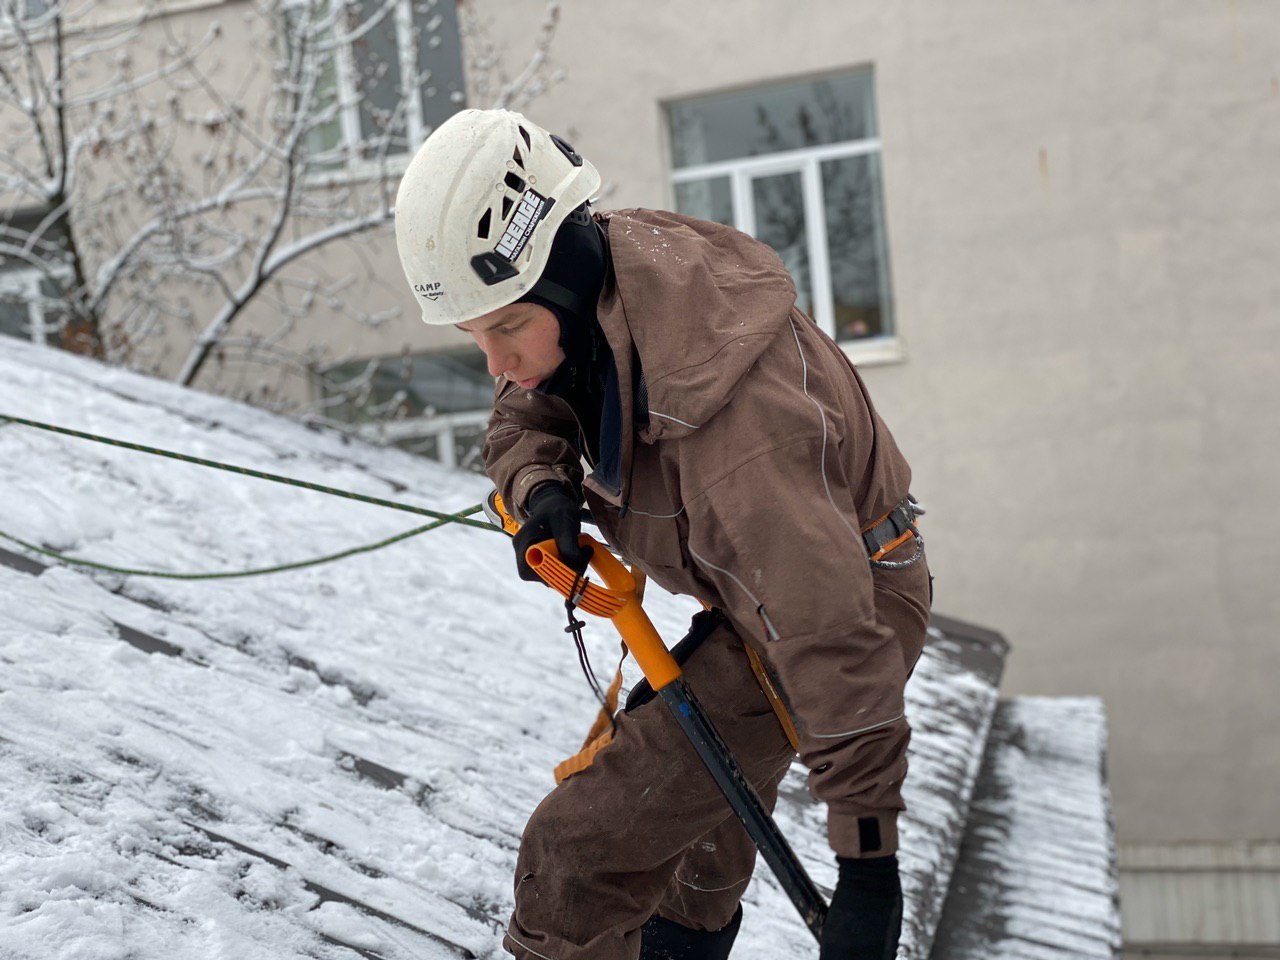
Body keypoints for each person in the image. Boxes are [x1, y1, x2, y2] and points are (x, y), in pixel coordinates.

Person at [394, 109, 932, 960]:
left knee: (578, 858)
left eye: (505, 328)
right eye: (475, 336)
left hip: (836, 601)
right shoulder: (606, 291)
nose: (494, 362)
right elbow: (525, 408)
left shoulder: (740, 433)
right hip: (753, 598)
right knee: (689, 857)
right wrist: (541, 491)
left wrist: (869, 867)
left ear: (559, 280)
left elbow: (829, 636)